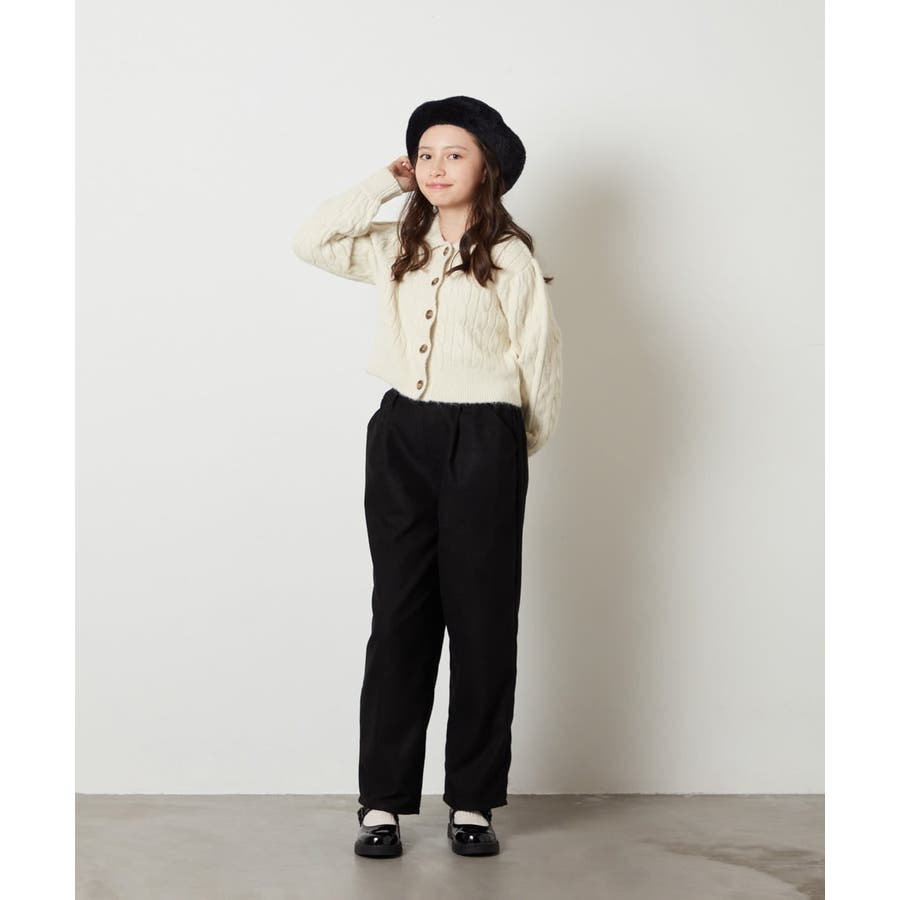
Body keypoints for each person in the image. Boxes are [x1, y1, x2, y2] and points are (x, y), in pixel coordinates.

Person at [291, 95, 563, 858]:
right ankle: (381, 802)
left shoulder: (510, 257)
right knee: (399, 617)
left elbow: (539, 358)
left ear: (488, 167)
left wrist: (510, 446)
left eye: (455, 154)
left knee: (481, 621)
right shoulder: (394, 248)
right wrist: (384, 182)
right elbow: (311, 240)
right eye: (425, 154)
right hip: (401, 436)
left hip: (485, 437)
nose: (437, 167)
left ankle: (473, 801)